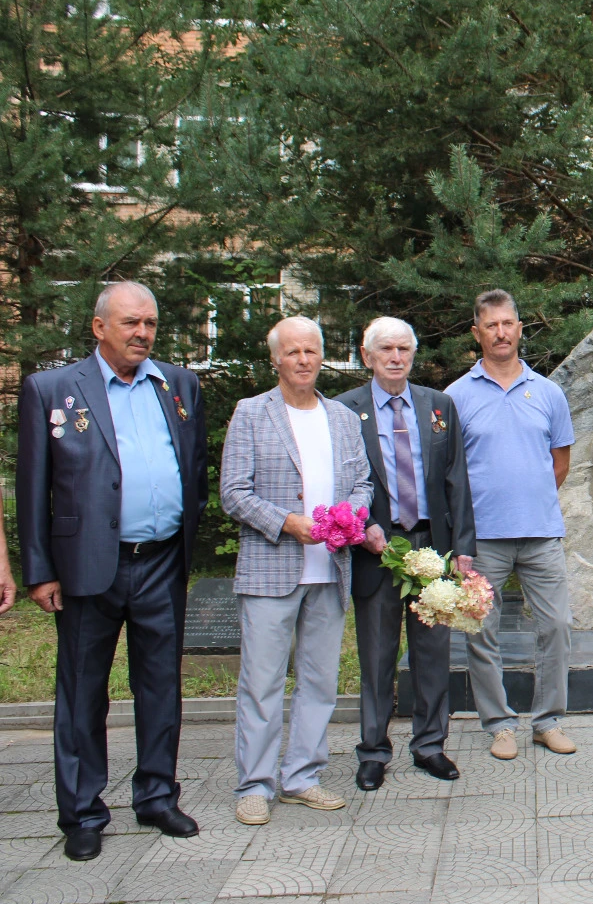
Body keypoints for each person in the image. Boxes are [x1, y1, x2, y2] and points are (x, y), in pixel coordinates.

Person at [17, 282, 207, 861]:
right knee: (81, 691)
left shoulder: (179, 385)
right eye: (130, 323)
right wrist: (40, 570)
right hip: (86, 566)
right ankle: (82, 811)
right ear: (99, 327)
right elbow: (32, 488)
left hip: (161, 562)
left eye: (149, 323)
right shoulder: (51, 389)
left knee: (160, 686)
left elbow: (193, 466)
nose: (142, 333)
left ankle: (156, 795)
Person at [220, 317, 372, 825]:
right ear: (275, 360)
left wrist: (350, 515)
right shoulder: (250, 413)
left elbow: (364, 484)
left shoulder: (344, 418)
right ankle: (255, 785)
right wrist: (288, 523)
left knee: (319, 681)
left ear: (321, 356)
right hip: (271, 568)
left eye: (311, 350)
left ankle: (302, 777)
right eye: (293, 352)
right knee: (262, 683)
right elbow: (234, 493)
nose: (303, 360)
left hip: (329, 570)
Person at [335, 317, 476, 791]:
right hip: (377, 547)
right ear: (368, 355)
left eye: (404, 349)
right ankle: (373, 751)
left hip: (432, 544)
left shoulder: (438, 406)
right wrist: (362, 527)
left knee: (433, 654)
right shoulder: (344, 410)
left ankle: (430, 745)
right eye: (387, 349)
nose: (396, 358)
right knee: (377, 657)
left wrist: (464, 551)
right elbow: (338, 484)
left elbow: (457, 480)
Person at [447, 290, 578, 759]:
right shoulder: (457, 396)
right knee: (480, 631)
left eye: (508, 323)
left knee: (557, 625)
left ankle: (548, 721)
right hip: (483, 538)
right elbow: (449, 471)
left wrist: (527, 498)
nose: (501, 333)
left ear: (520, 328)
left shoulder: (548, 393)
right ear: (477, 333)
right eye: (491, 325)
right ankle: (499, 724)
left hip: (541, 533)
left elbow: (558, 464)